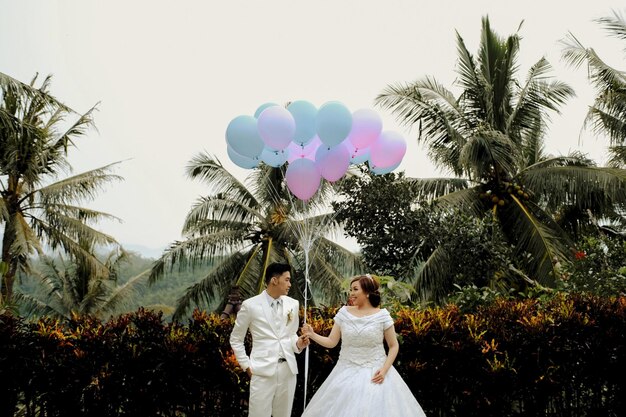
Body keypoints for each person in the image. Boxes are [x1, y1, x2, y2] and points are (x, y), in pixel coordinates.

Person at [300, 274, 427, 417]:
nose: (351, 293)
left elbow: (393, 346)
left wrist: (384, 370)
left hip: (376, 372)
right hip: (344, 372)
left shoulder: (382, 315)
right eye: (350, 290)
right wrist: (312, 334)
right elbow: (331, 342)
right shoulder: (344, 312)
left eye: (355, 289)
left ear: (367, 292)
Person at [229, 262, 310, 417]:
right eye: (287, 280)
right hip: (261, 371)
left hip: (288, 370)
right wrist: (246, 366)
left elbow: (291, 335)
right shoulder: (250, 305)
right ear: (274, 280)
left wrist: (299, 343)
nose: (290, 284)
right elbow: (236, 339)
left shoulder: (292, 304)